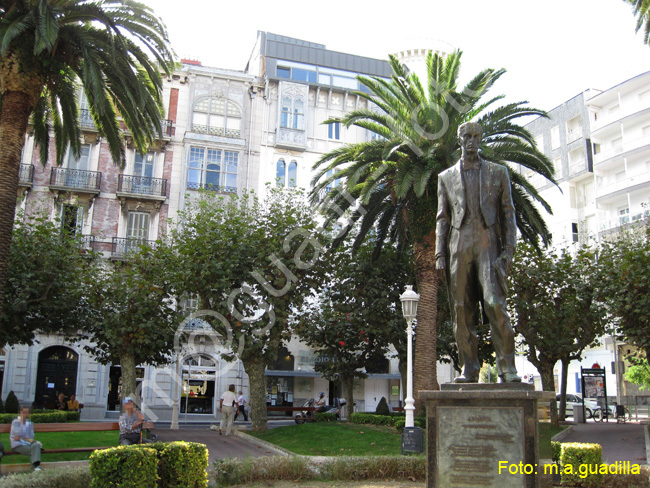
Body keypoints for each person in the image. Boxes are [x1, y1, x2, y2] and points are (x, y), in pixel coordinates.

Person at [435, 121, 521, 384]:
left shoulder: (498, 172)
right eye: (468, 136)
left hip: (488, 241)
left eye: (477, 136)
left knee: (495, 303)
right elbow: (442, 217)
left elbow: (508, 211)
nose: (473, 141)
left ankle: (507, 368)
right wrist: (440, 254)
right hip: (459, 244)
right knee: (461, 308)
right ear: (460, 140)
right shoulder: (446, 177)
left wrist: (509, 248)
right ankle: (469, 368)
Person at [10, 406, 43, 471]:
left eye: (27, 412)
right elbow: (17, 437)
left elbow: (31, 436)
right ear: (20, 412)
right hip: (18, 445)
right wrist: (22, 424)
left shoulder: (29, 423)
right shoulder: (16, 422)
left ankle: (36, 468)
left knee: (36, 445)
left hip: (28, 444)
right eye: (24, 412)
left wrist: (24, 436)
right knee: (34, 451)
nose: (26, 414)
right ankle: (36, 467)